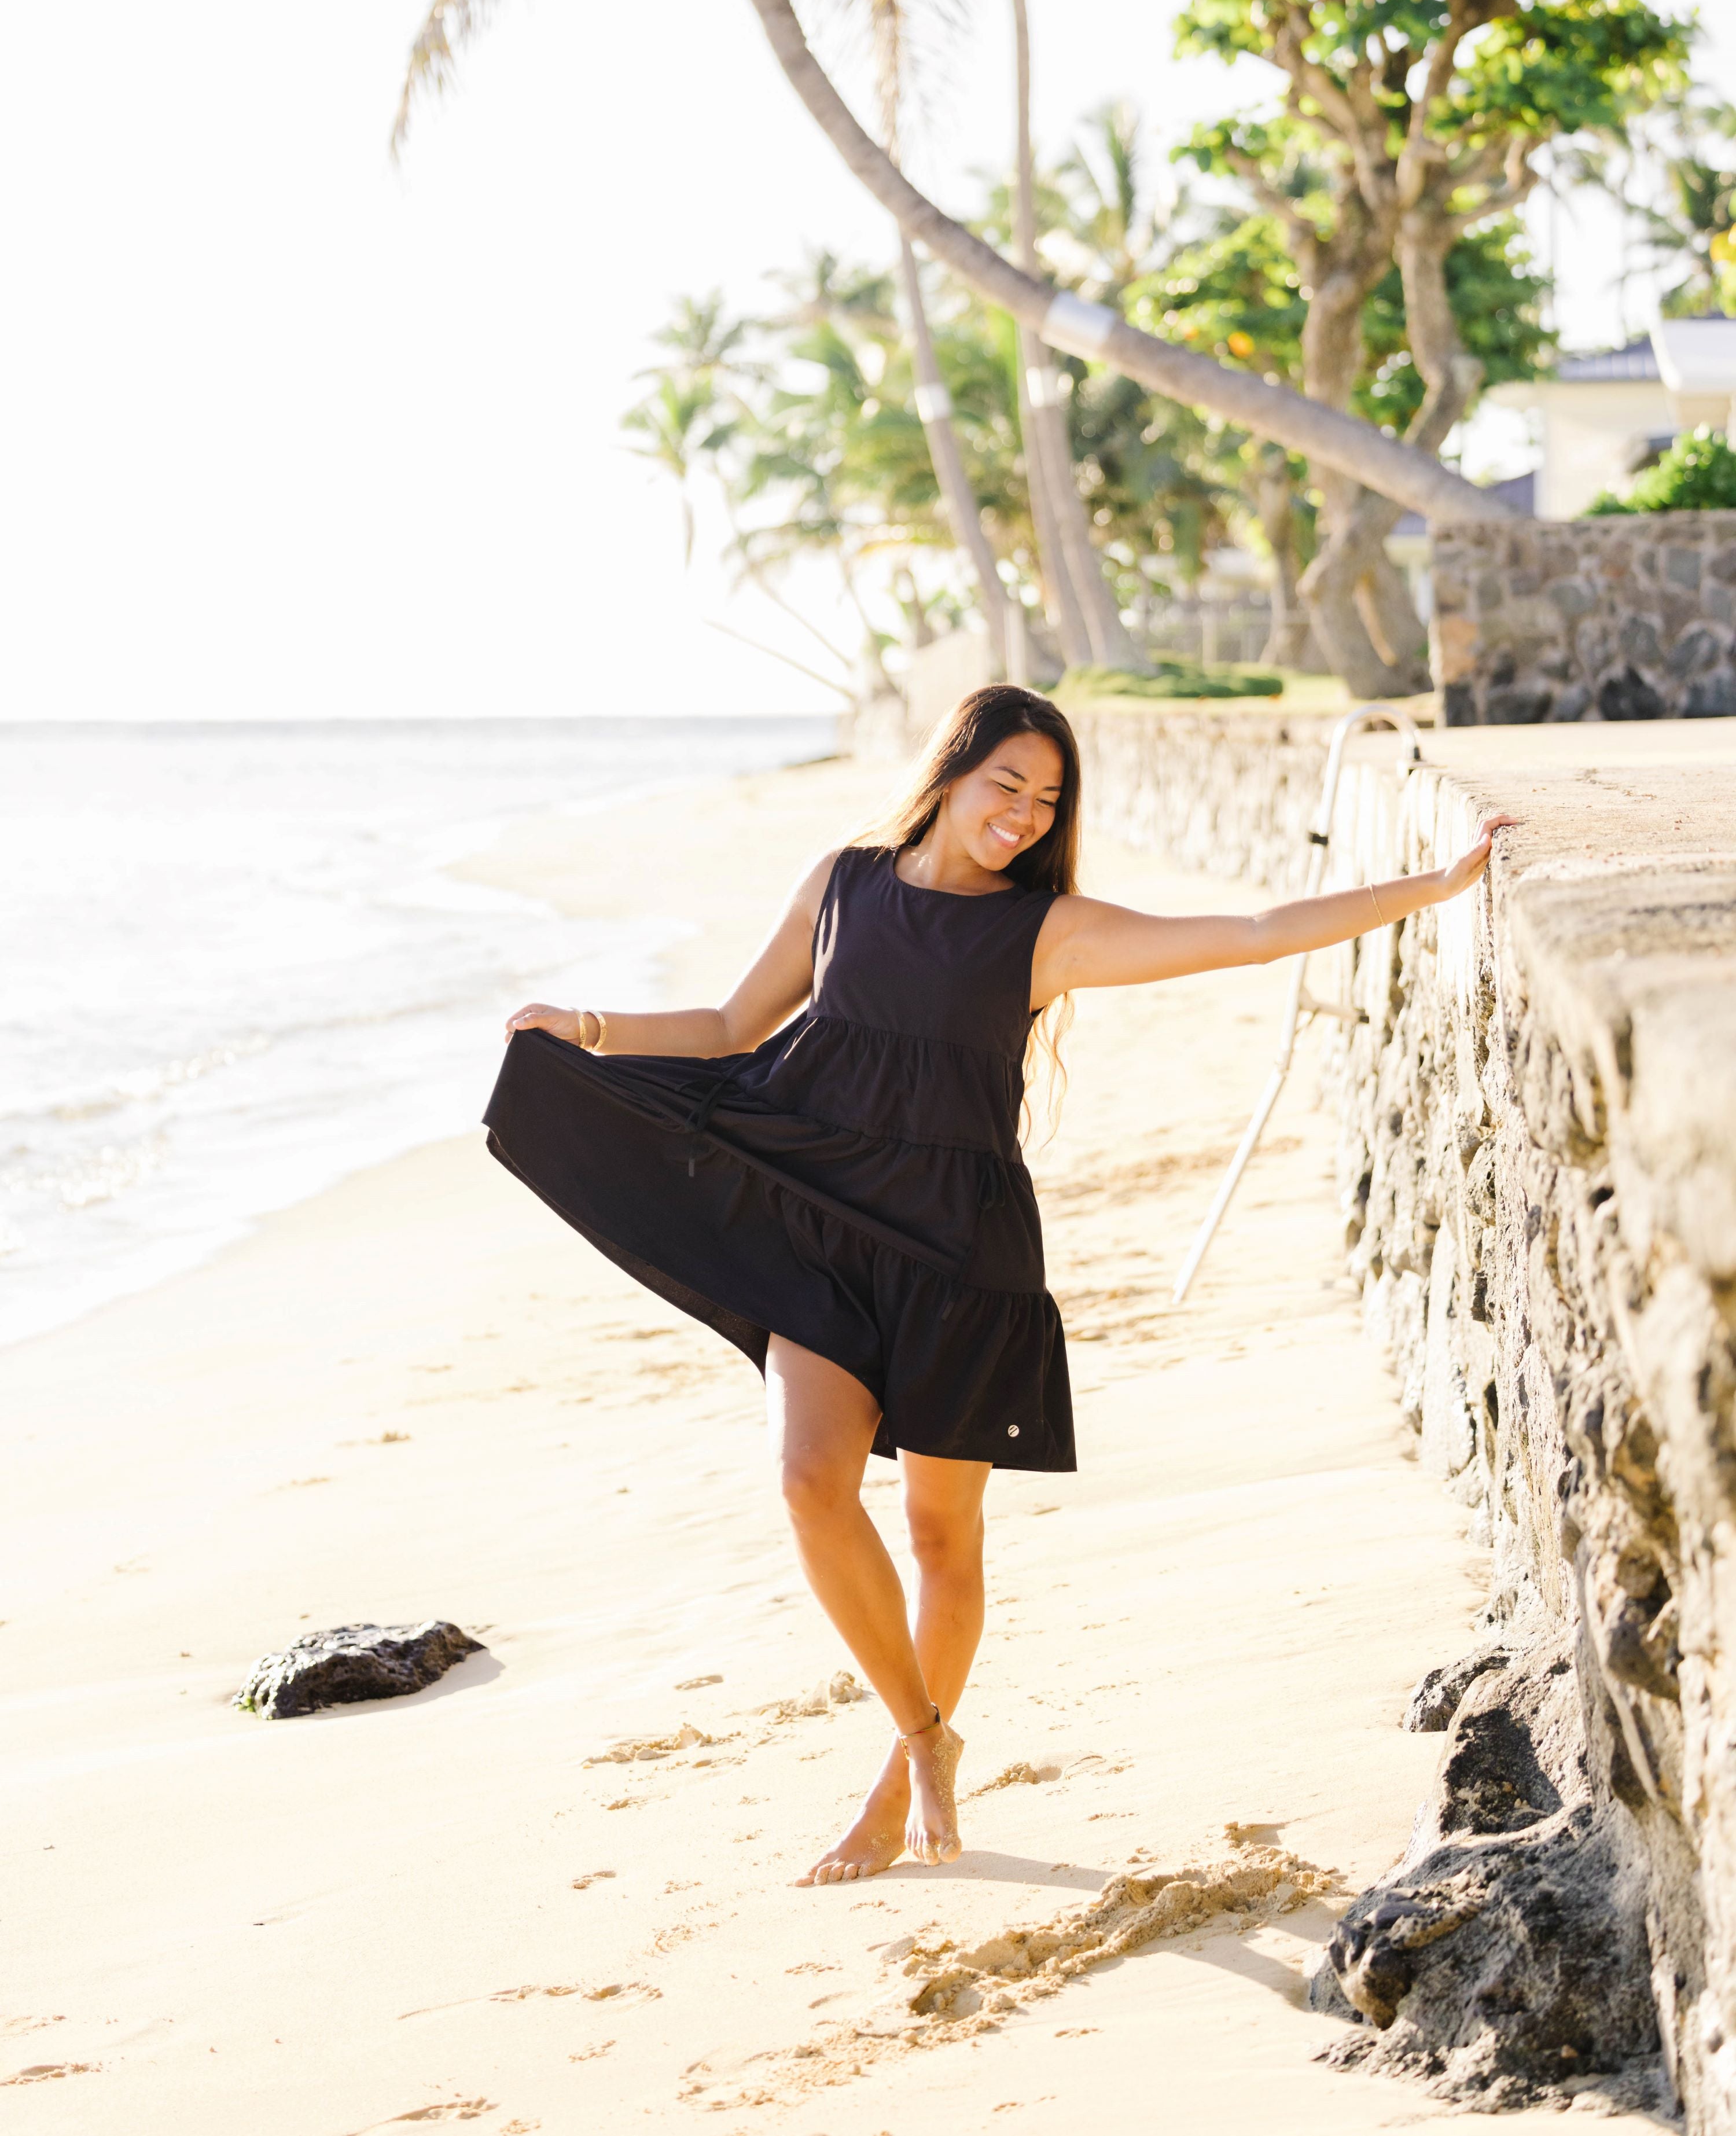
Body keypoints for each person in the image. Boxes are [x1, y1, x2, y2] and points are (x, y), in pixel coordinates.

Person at [486, 686, 1513, 1887]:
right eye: (1005, 785)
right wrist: (589, 1025)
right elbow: (726, 1022)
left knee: (940, 1530)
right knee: (811, 1481)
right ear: (951, 771)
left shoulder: (1050, 931)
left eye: (1048, 799)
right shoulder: (844, 883)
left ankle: (892, 1786)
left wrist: (1434, 886)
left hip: (957, 1251)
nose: (1024, 816)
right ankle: (927, 1733)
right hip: (817, 1224)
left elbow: (1248, 927)